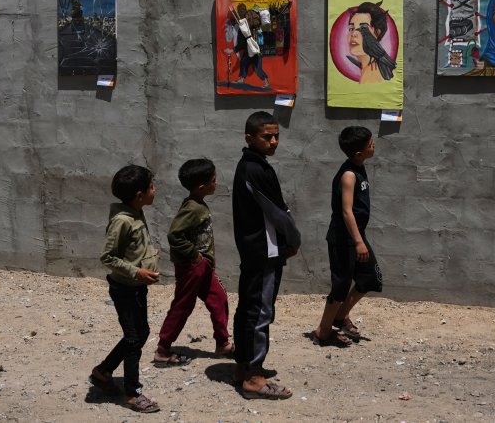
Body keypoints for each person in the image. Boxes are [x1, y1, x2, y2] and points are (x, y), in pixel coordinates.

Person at [231, 111, 301, 399]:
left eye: (276, 136)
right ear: (250, 138)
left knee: (247, 308)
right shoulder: (256, 170)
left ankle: (242, 366)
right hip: (265, 251)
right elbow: (278, 213)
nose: (273, 141)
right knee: (260, 312)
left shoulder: (251, 165)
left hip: (254, 250)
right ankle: (254, 376)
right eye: (267, 137)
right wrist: (294, 239)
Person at [89, 165, 163, 413]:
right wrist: (137, 271)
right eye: (152, 186)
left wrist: (148, 257)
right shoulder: (122, 220)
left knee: (141, 333)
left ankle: (103, 372)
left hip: (136, 287)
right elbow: (107, 257)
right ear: (140, 194)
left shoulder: (135, 211)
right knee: (134, 338)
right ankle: (132, 393)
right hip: (125, 289)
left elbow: (132, 248)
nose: (156, 190)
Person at [153, 158, 234, 366]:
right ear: (201, 187)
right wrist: (194, 255)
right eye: (213, 180)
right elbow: (174, 234)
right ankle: (163, 349)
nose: (216, 183)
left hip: (203, 266)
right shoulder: (192, 208)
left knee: (219, 298)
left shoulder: (198, 204)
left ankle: (223, 343)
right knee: (183, 304)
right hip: (192, 267)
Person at [314, 126, 383, 347]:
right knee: (341, 284)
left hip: (356, 235)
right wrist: (358, 241)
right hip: (343, 239)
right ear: (358, 154)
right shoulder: (349, 175)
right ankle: (323, 331)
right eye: (370, 144)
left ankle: (340, 316)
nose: (374, 145)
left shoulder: (359, 167)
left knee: (369, 277)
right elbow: (346, 211)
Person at [344, 1, 396, 83]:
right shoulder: (365, 74)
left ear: (378, 32)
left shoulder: (371, 78)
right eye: (351, 28)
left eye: (362, 28)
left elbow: (379, 54)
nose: (354, 34)